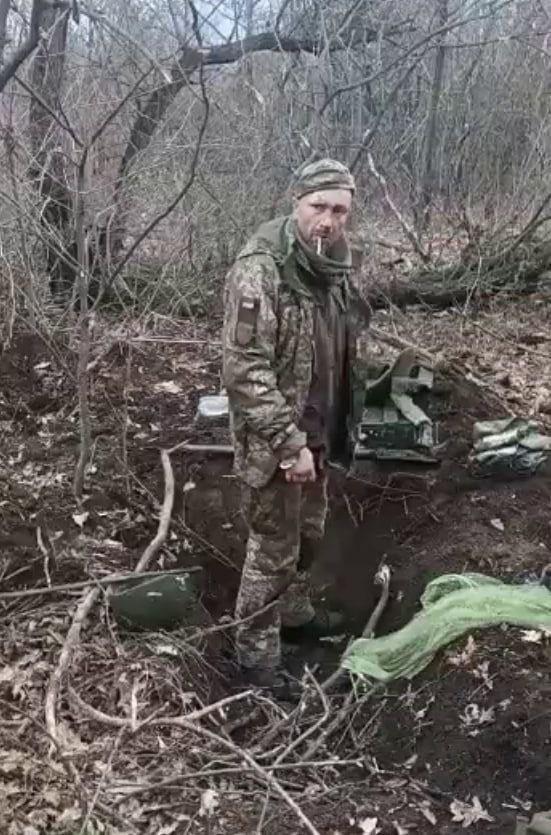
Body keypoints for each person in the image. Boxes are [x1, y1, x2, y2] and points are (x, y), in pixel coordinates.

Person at [222, 159, 370, 690]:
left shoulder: (330, 265)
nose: (328, 220)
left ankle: (295, 613)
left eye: (339, 210)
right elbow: (242, 369)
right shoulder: (262, 269)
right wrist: (289, 443)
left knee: (309, 534)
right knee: (273, 549)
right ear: (296, 202)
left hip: (320, 434)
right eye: (318, 207)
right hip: (278, 442)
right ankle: (255, 659)